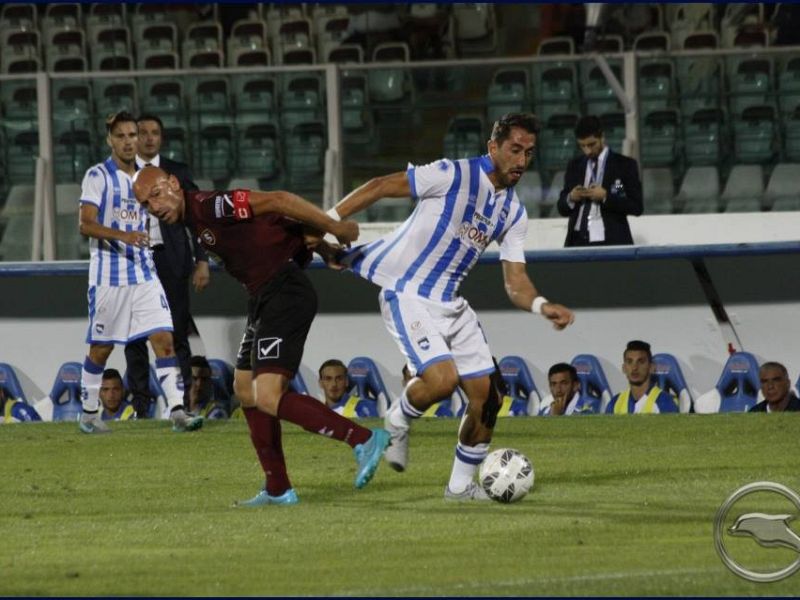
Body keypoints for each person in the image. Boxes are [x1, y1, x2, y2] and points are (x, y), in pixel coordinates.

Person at [329, 112, 575, 500]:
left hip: (451, 304)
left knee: (489, 398)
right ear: (493, 147)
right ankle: (395, 421)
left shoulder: (513, 213)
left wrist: (542, 305)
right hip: (408, 293)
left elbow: (515, 282)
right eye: (515, 150)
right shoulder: (452, 174)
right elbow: (380, 186)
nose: (522, 162)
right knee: (442, 382)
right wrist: (327, 220)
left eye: (529, 153)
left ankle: (459, 488)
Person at [132, 165, 390, 505]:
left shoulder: (209, 206)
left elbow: (277, 201)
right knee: (245, 389)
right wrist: (325, 249)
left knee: (268, 395)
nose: (155, 206)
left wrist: (333, 227)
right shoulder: (191, 222)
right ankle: (278, 488)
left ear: (174, 184)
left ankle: (363, 439)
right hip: (263, 298)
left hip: (284, 293)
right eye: (146, 204)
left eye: (156, 194)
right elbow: (271, 230)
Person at [77, 111, 203, 435]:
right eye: (121, 136)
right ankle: (89, 413)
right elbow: (85, 224)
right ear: (110, 140)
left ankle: (177, 410)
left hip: (145, 274)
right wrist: (125, 236)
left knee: (164, 340)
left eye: (132, 135)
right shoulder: (97, 175)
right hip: (109, 276)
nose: (129, 141)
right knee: (101, 349)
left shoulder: (147, 177)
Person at [125, 114, 210, 419]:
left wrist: (202, 260)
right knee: (133, 336)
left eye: (154, 133)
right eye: (142, 133)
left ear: (161, 137)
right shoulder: (122, 172)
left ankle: (185, 403)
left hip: (172, 260)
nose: (148, 138)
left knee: (177, 331)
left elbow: (198, 215)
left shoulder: (177, 172)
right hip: (134, 262)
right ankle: (141, 406)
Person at [557, 115, 643, 247]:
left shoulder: (624, 165)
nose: (587, 151)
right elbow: (562, 207)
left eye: (591, 144)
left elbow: (636, 206)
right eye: (582, 146)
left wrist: (605, 196)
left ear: (602, 137)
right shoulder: (574, 166)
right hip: (577, 240)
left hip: (611, 241)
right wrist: (571, 197)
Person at [605, 340, 678, 414]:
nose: (634, 367)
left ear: (651, 367)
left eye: (641, 362)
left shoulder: (665, 403)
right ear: (624, 368)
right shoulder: (615, 403)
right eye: (630, 362)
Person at [189, 355, 229, 419]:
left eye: (204, 379)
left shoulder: (216, 412)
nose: (199, 384)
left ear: (210, 382)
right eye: (194, 378)